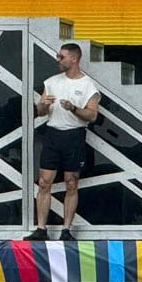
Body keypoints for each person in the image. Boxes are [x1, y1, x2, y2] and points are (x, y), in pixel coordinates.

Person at [24, 43, 100, 241]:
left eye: (61, 57)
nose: (58, 60)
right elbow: (40, 112)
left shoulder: (88, 85)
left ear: (73, 59)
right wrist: (42, 105)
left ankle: (66, 230)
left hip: (74, 136)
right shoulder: (51, 82)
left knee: (71, 182)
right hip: (53, 133)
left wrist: (74, 108)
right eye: (58, 56)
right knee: (43, 182)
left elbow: (92, 115)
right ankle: (41, 228)